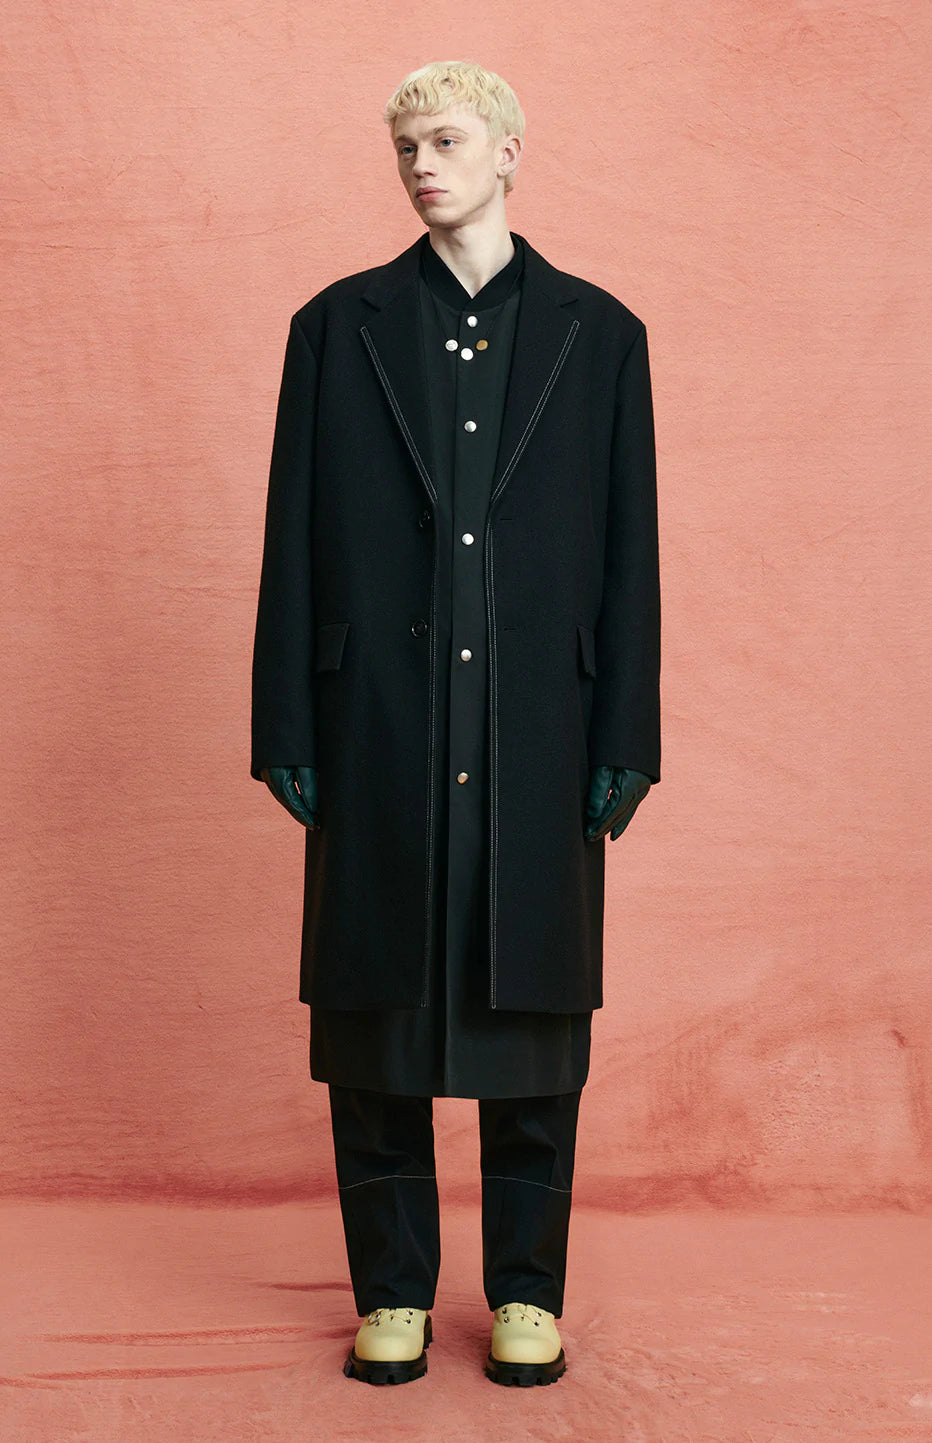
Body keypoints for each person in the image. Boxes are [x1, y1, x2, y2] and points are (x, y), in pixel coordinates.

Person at [250, 58, 660, 1387]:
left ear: (507, 151)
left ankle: (527, 1292)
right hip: (375, 718)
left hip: (541, 723)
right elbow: (293, 535)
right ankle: (393, 1294)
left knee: (534, 1002)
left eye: (445, 141)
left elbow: (630, 554)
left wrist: (628, 733)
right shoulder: (337, 328)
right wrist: (282, 717)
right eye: (406, 149)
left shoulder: (603, 336)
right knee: (374, 1007)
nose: (422, 166)